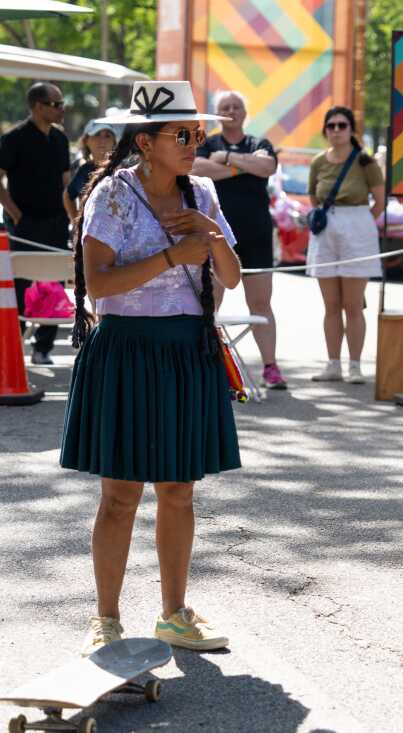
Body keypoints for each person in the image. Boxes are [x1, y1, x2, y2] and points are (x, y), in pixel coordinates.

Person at [60, 80, 242, 655]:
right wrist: (170, 256)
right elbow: (96, 286)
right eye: (182, 134)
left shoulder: (202, 195)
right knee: (119, 494)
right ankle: (107, 620)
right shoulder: (112, 195)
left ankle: (174, 613)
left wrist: (210, 239)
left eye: (199, 133)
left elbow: (232, 278)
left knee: (179, 490)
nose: (194, 142)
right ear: (146, 140)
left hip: (187, 348)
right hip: (126, 348)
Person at [193, 90, 285, 389]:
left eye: (236, 106)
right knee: (211, 301)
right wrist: (241, 168)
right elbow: (196, 169)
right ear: (217, 113)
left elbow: (267, 166)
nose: (231, 110)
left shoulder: (260, 143)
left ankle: (270, 367)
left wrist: (228, 159)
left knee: (261, 303)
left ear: (245, 112)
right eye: (225, 107)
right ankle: (207, 362)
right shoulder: (206, 144)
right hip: (216, 234)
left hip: (257, 235)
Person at [306, 106, 385, 384]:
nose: (336, 130)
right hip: (327, 228)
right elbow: (313, 197)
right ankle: (333, 364)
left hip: (357, 226)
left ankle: (354, 365)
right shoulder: (318, 161)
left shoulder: (365, 162)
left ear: (351, 129)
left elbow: (380, 201)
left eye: (342, 125)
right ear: (325, 130)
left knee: (352, 304)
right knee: (331, 304)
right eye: (331, 126)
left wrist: (360, 224)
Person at [0, 82, 71, 364]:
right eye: (56, 104)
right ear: (38, 106)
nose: (61, 109)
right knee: (20, 284)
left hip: (56, 222)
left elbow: (67, 182)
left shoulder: (61, 139)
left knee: (53, 284)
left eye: (61, 103)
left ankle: (44, 348)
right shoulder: (14, 138)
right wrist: (16, 215)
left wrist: (71, 215)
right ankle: (11, 348)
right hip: (25, 225)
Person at [65, 120, 117, 220]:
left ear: (114, 142)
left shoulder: (123, 170)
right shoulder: (84, 170)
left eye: (107, 136)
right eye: (97, 134)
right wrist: (76, 223)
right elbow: (67, 196)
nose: (102, 140)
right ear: (86, 141)